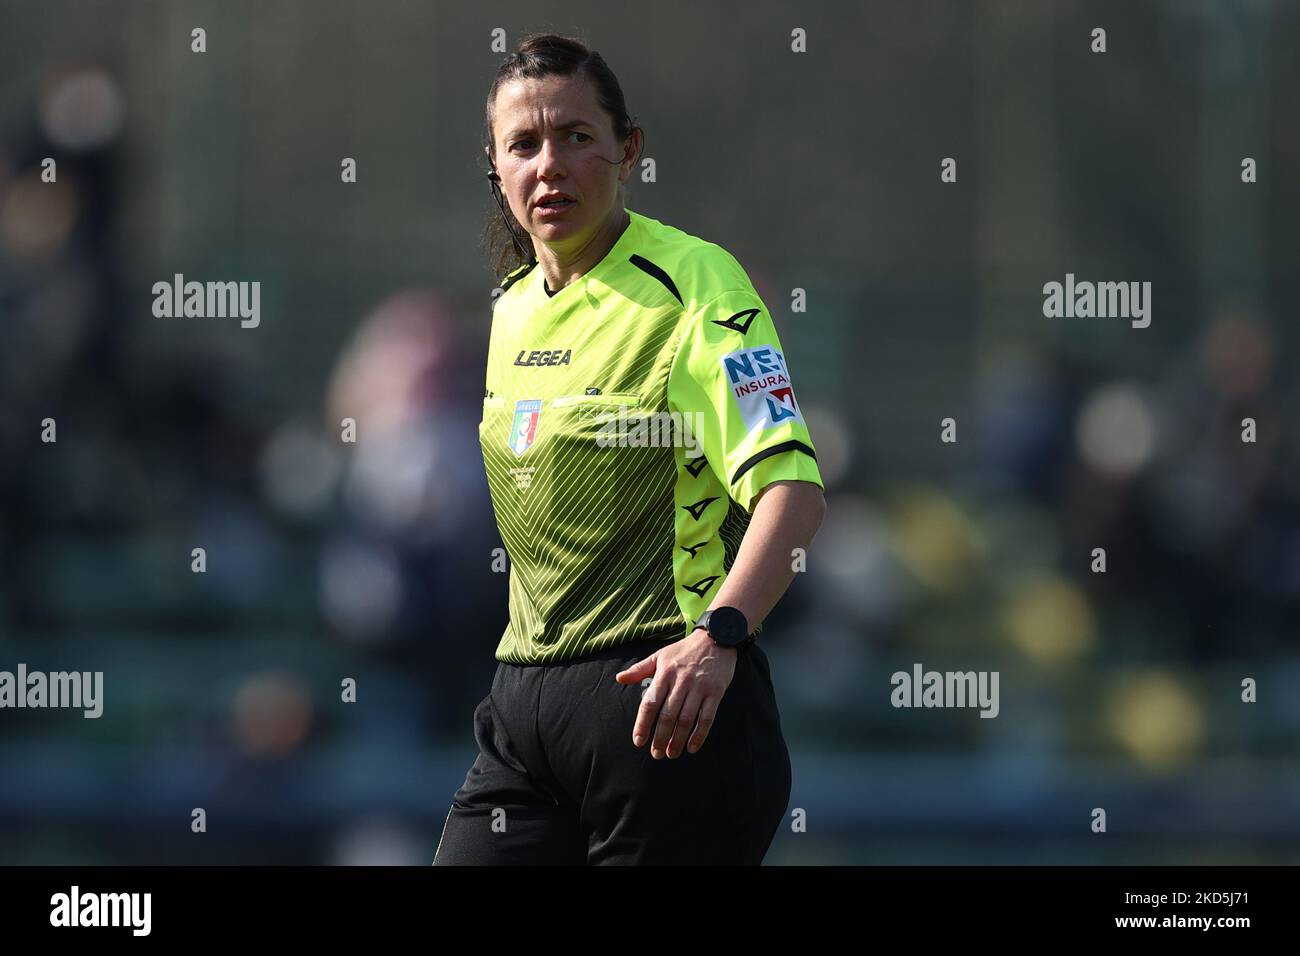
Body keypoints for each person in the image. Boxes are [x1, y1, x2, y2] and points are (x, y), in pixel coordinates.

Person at [433, 32, 827, 866]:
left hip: (669, 711)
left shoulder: (696, 284)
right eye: (525, 145)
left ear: (627, 151)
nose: (551, 165)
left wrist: (721, 636)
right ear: (496, 168)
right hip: (522, 719)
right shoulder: (508, 311)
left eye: (578, 137)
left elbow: (793, 493)